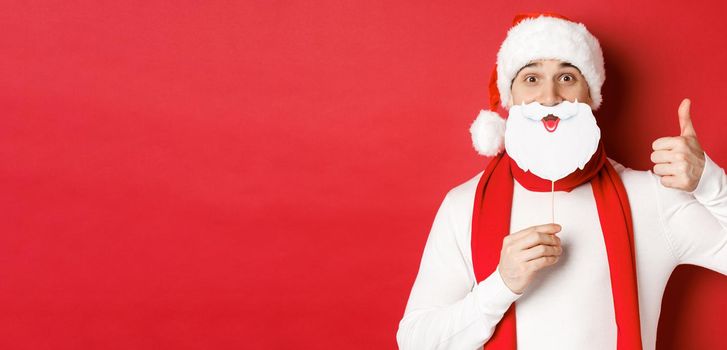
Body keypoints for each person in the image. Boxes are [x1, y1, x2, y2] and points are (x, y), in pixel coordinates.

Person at [396, 12, 727, 350]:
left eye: (567, 77)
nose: (550, 97)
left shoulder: (649, 198)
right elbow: (415, 341)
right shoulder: (463, 206)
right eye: (531, 78)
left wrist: (710, 184)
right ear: (509, 99)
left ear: (590, 96)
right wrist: (501, 285)